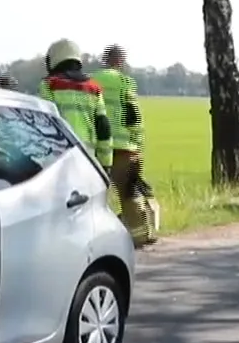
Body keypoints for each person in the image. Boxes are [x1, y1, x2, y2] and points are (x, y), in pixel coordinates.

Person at [91, 44, 156, 246]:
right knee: (129, 193)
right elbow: (133, 116)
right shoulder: (125, 81)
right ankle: (139, 236)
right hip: (124, 147)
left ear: (104, 59)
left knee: (95, 195)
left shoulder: (91, 81)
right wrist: (138, 144)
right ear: (120, 60)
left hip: (97, 148)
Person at [37, 39, 111, 161]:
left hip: (59, 157)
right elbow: (103, 126)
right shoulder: (94, 87)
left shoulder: (49, 84)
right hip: (88, 158)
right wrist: (106, 162)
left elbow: (45, 123)